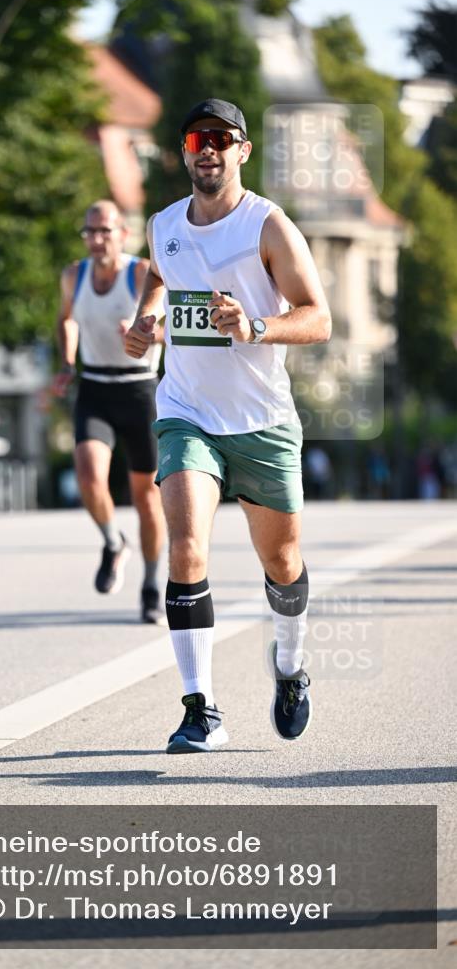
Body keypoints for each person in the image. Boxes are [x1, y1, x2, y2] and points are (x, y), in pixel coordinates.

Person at [125, 99, 332, 751]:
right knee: (185, 547)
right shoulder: (162, 225)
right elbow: (157, 277)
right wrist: (144, 321)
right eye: (196, 138)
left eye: (220, 138)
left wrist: (255, 326)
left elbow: (317, 317)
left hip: (261, 419)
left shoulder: (266, 226)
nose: (206, 148)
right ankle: (200, 708)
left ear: (241, 150)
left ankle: (290, 666)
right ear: (184, 151)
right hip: (186, 412)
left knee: (282, 560)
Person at [54, 199, 166, 623]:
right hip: (96, 387)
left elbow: (174, 331)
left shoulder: (141, 274)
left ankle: (153, 584)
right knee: (88, 476)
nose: (97, 239)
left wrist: (143, 333)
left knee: (147, 499)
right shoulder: (74, 275)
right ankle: (113, 541)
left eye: (106, 231)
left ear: (123, 234)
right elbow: (67, 319)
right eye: (90, 232)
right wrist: (67, 363)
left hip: (140, 391)